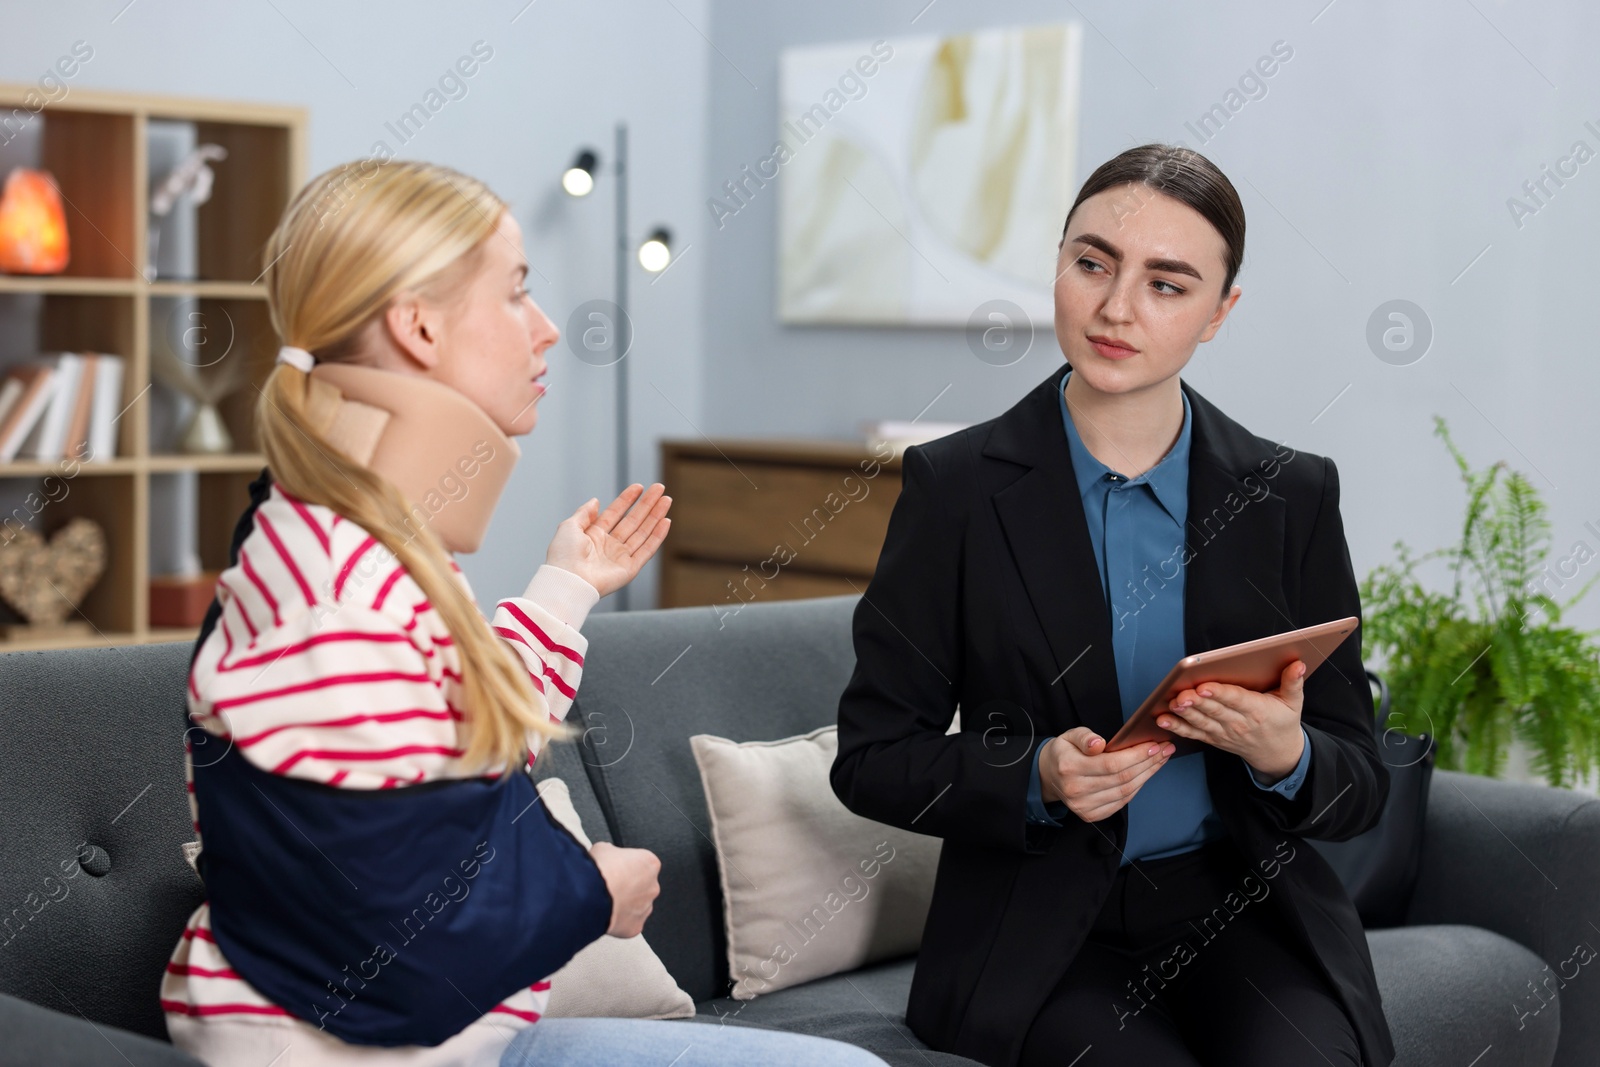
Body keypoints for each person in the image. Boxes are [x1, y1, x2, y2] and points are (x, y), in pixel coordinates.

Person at [163, 159, 887, 1067]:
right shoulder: (330, 591)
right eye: (516, 294)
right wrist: (589, 890)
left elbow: (442, 725)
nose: (546, 331)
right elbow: (401, 941)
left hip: (454, 1037)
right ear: (418, 325)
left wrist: (566, 585)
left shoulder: (358, 545)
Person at [831, 144, 1393, 1067]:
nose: (1115, 308)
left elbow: (1359, 781)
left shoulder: (1290, 495)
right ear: (1058, 263)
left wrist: (1284, 752)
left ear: (1220, 313)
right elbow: (872, 757)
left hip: (1245, 908)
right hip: (1043, 931)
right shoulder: (956, 488)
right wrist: (1034, 776)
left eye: (1167, 285)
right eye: (1092, 263)